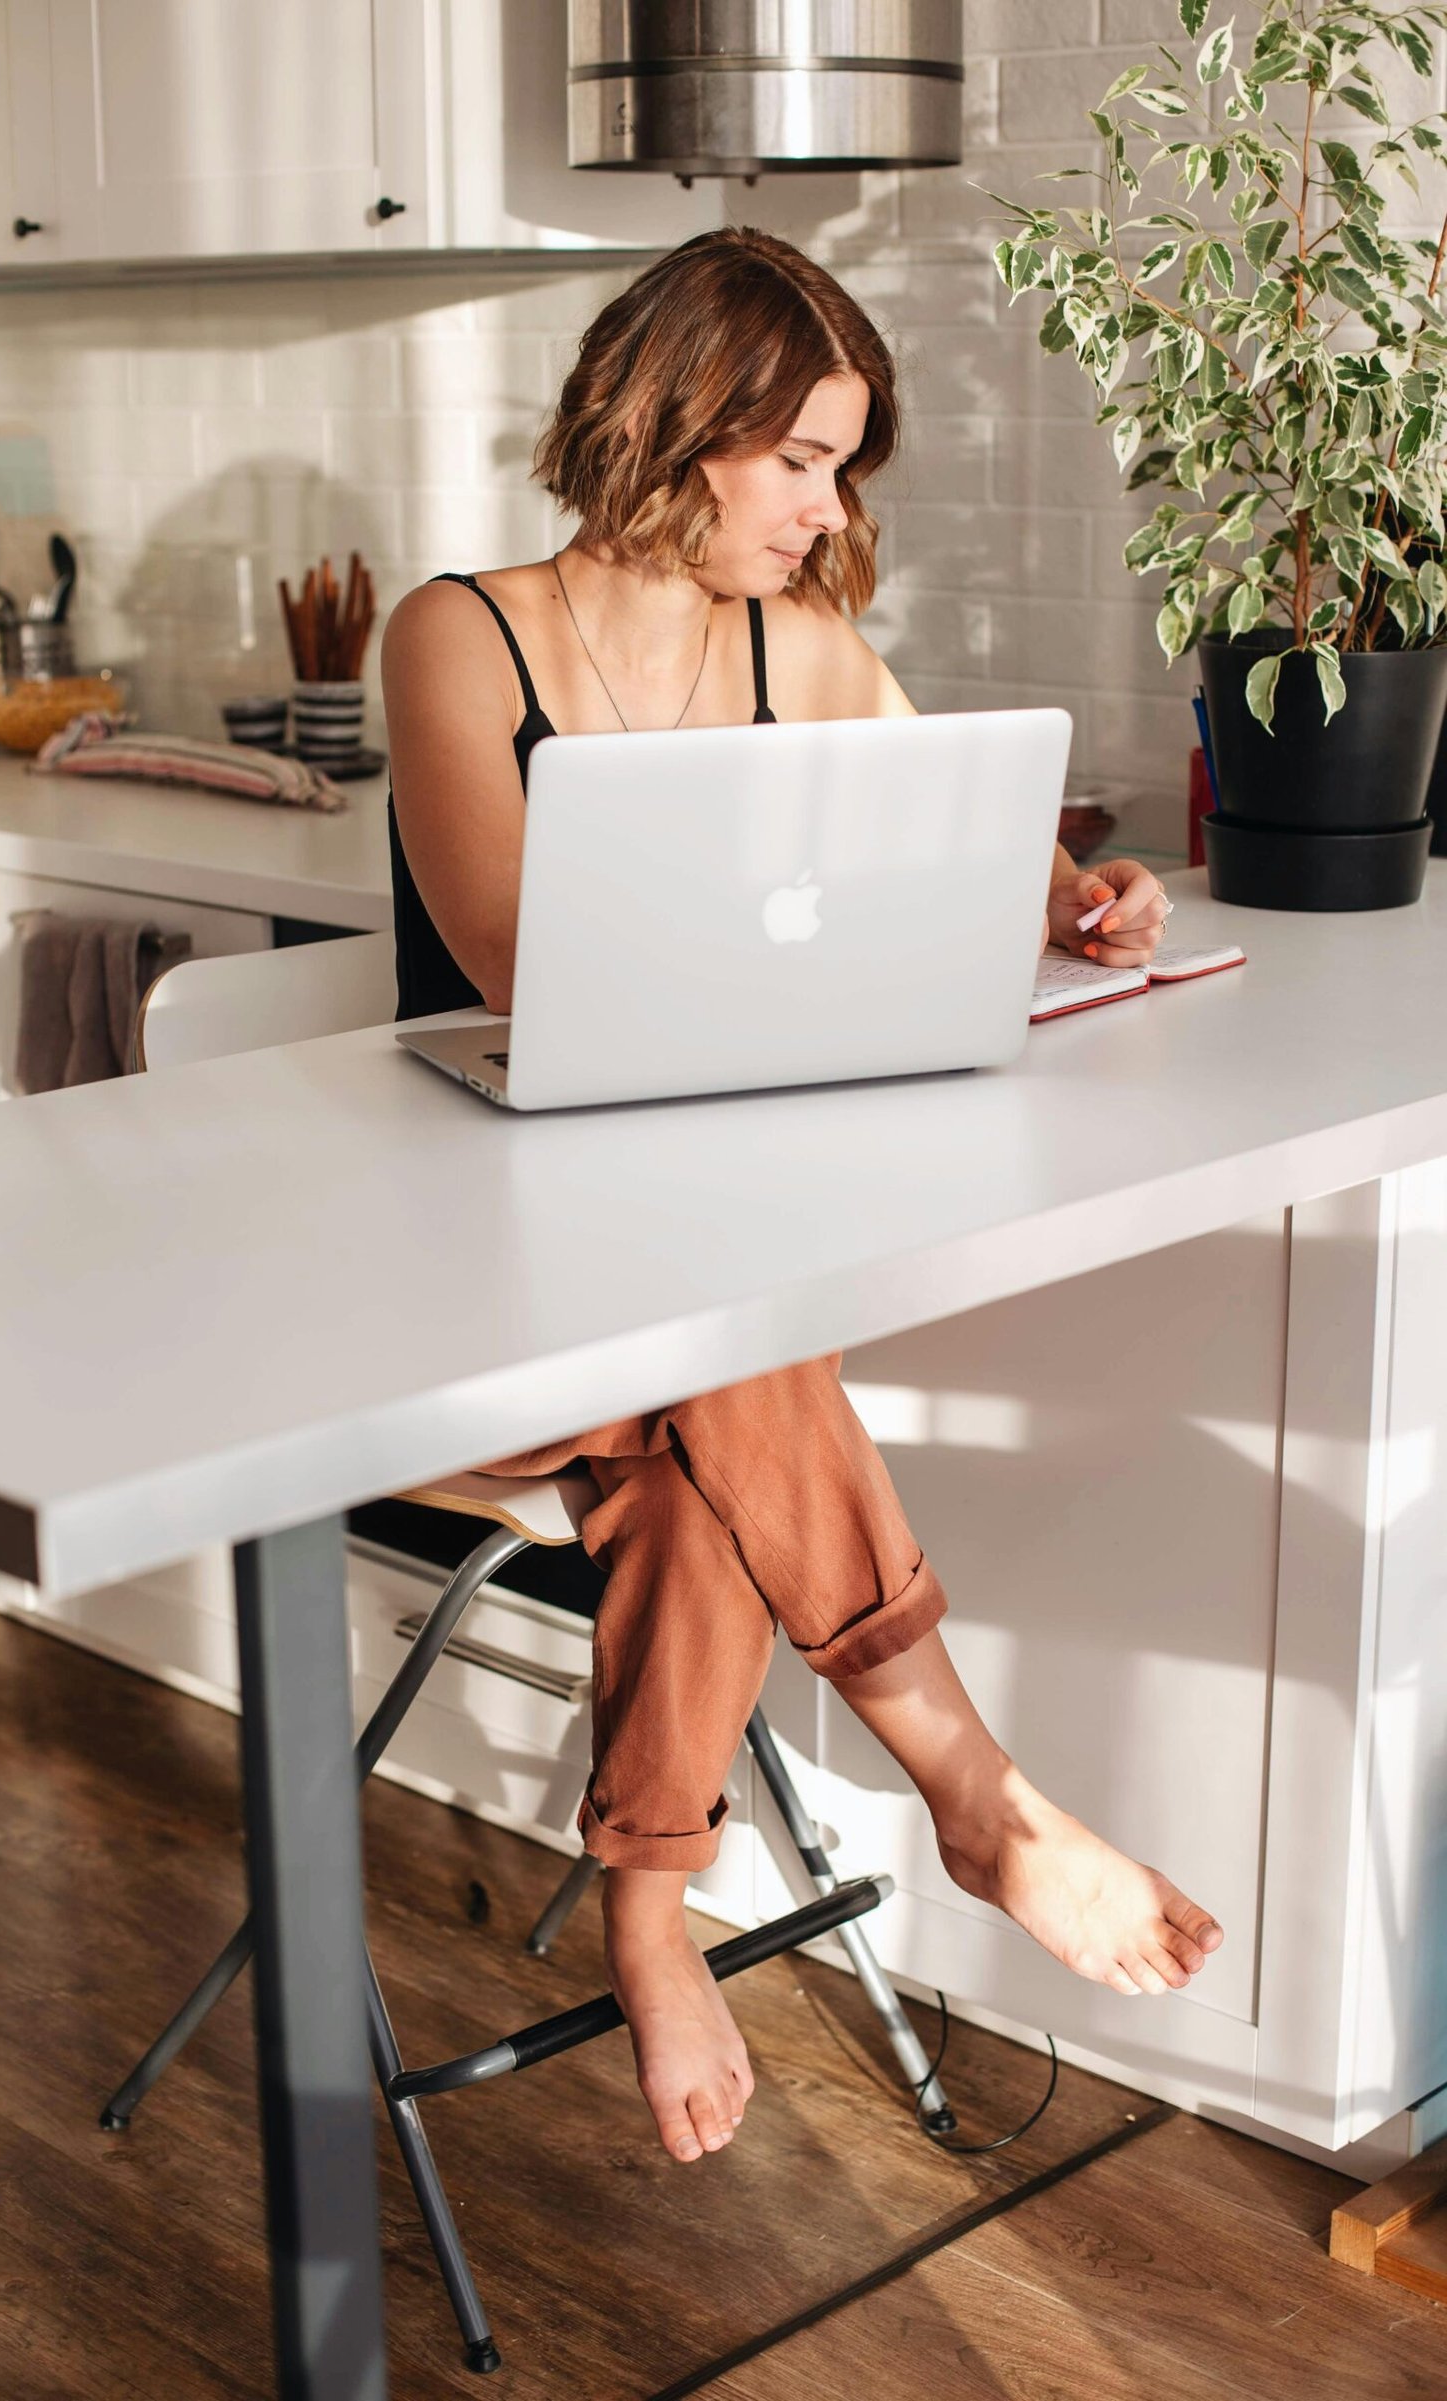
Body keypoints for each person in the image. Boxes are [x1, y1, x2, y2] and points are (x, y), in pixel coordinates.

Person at [381, 226, 1222, 2170]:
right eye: (797, 461)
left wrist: (1070, 900)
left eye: (838, 462)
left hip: (676, 1306)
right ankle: (967, 1780)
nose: (823, 505)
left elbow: (964, 847)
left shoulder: (803, 650)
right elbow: (522, 956)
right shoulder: (462, 634)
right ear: (673, 433)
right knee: (742, 1347)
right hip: (451, 1295)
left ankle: (647, 1905)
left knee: (701, 1439)